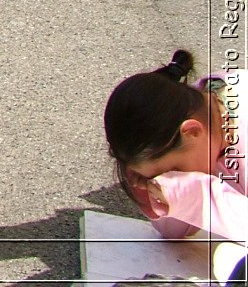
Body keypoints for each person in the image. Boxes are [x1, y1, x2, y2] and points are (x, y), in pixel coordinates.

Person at [104, 50, 246, 283]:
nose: (171, 182)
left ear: (192, 131)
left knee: (230, 262)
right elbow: (177, 233)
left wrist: (200, 197)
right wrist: (156, 197)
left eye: (174, 173)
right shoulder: (204, 118)